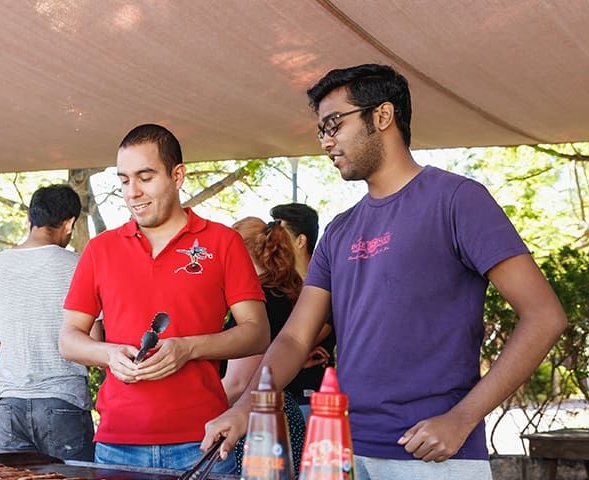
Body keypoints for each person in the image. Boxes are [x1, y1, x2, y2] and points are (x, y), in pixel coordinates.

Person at [202, 64, 568, 480]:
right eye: (321, 130)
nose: (326, 141)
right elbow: (294, 338)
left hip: (434, 458)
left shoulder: (457, 200)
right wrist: (247, 405)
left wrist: (463, 418)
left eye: (334, 124)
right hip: (345, 453)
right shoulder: (340, 230)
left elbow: (544, 316)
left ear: (382, 115)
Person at [59, 124, 270, 473]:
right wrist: (108, 354)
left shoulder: (223, 242)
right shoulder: (100, 249)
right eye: (124, 180)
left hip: (203, 440)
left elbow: (257, 332)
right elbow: (69, 339)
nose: (133, 192)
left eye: (145, 177)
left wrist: (189, 348)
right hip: (118, 445)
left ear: (177, 175)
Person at [0, 184, 94, 461]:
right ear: (69, 223)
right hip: (64, 401)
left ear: (30, 219)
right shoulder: (79, 266)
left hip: (8, 405)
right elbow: (92, 343)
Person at [220, 216, 306, 474]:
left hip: (255, 422)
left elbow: (238, 382)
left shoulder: (257, 303)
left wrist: (190, 414)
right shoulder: (288, 293)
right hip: (281, 413)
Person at [269, 203, 336, 420]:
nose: (274, 239)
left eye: (281, 232)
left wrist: (288, 352)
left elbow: (302, 338)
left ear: (301, 241)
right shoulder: (275, 289)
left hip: (314, 399)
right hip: (280, 396)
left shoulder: (328, 285)